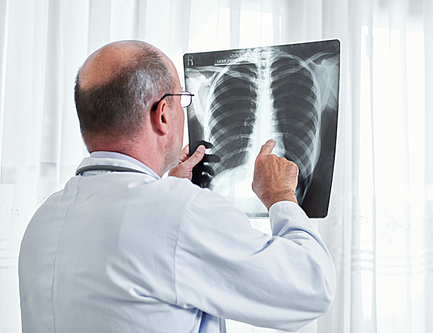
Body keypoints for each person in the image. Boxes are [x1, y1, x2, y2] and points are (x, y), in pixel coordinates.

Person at [18, 40, 336, 333]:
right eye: (182, 101)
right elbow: (311, 287)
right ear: (163, 115)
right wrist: (281, 196)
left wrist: (168, 194)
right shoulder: (179, 213)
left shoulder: (43, 218)